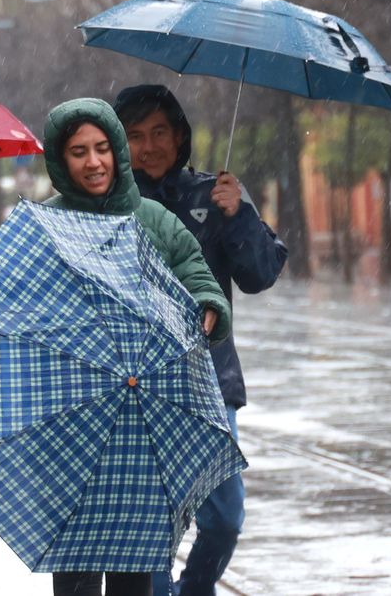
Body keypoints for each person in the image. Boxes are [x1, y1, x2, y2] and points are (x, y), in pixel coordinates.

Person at [41, 97, 232, 596]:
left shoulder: (152, 218)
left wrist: (208, 303)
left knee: (133, 567)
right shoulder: (42, 226)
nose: (93, 162)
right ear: (62, 161)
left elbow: (194, 268)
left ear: (117, 152)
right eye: (79, 151)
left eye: (102, 148)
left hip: (138, 416)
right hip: (73, 418)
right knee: (77, 566)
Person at [113, 85, 287, 596]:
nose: (149, 147)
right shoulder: (111, 204)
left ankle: (195, 588)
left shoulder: (215, 193)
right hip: (138, 385)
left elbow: (259, 274)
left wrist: (239, 215)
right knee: (153, 527)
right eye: (136, 136)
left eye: (160, 133)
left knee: (225, 518)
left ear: (180, 135)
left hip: (209, 382)